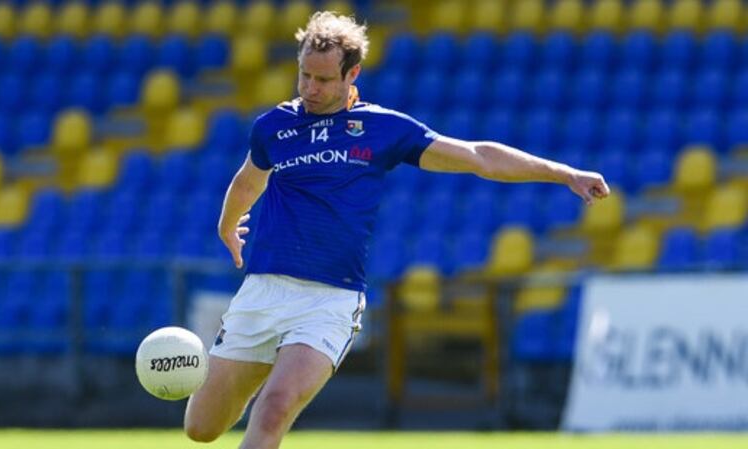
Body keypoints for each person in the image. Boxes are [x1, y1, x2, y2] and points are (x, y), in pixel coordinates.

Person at [184, 11, 610, 449]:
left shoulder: (383, 128)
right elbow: (248, 181)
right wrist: (227, 225)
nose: (311, 88)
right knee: (201, 428)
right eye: (304, 75)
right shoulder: (273, 126)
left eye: (324, 80)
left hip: (329, 302)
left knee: (273, 408)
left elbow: (479, 156)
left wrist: (563, 173)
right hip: (263, 291)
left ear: (353, 74)